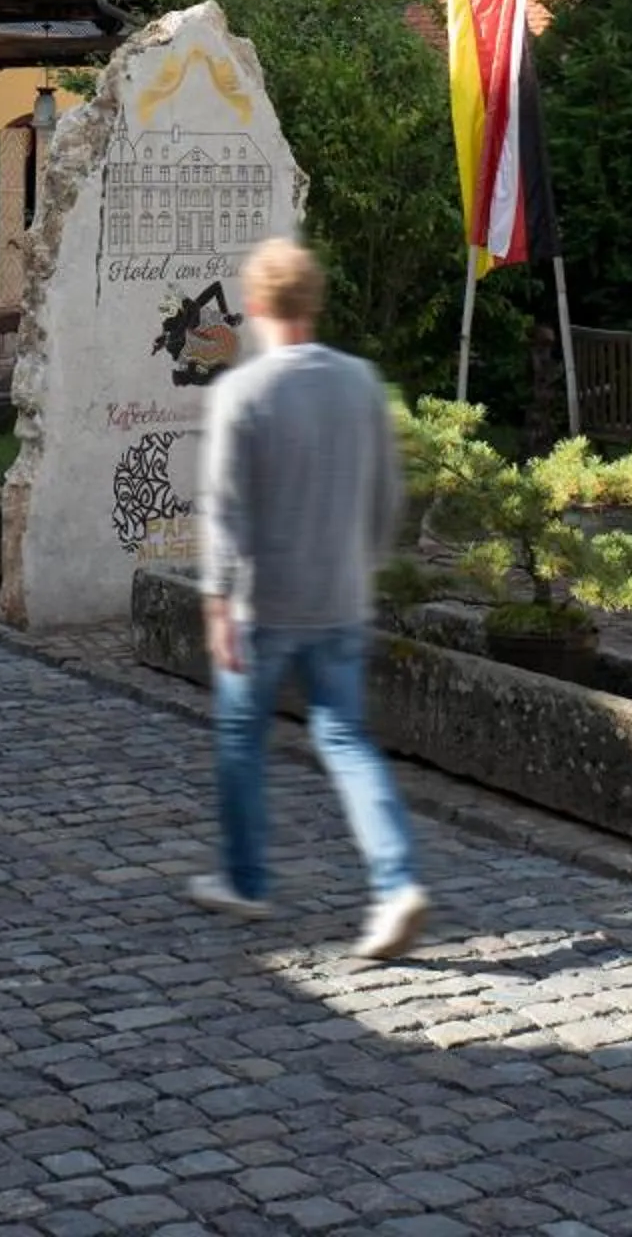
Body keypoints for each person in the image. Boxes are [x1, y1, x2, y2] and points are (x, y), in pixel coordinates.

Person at [189, 236, 426, 960]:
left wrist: (216, 603)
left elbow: (224, 509)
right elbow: (389, 497)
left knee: (240, 741)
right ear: (315, 302)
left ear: (256, 306)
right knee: (349, 742)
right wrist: (366, 567)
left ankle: (247, 878)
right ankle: (396, 882)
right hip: (340, 595)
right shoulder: (361, 382)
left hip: (265, 603)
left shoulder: (244, 392)